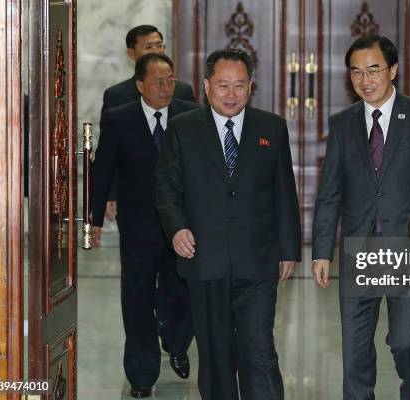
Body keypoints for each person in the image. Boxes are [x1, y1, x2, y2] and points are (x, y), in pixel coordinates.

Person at [311, 34, 410, 400]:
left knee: (405, 340)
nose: (366, 80)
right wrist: (320, 251)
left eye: (374, 70)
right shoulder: (342, 124)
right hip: (358, 250)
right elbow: (330, 190)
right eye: (356, 73)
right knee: (354, 348)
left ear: (392, 70)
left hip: (408, 249)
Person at [155, 48, 301, 400]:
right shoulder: (182, 129)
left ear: (251, 86)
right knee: (217, 356)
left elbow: (284, 192)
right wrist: (176, 228)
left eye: (239, 85)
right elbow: (166, 187)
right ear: (207, 87)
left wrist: (289, 249)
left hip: (258, 259)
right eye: (222, 85)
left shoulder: (272, 127)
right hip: (205, 260)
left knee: (259, 350)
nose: (231, 94)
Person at [91, 53, 198, 399]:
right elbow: (103, 168)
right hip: (137, 225)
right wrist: (93, 218)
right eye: (158, 81)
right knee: (136, 298)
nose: (166, 88)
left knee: (180, 291)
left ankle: (178, 342)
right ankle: (141, 374)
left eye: (170, 80)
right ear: (140, 85)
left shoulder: (189, 114)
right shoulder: (120, 119)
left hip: (181, 225)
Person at [102, 24, 195, 221]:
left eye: (159, 46)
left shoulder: (183, 92)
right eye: (148, 47)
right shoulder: (117, 95)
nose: (156, 51)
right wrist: (110, 193)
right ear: (130, 53)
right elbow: (110, 152)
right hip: (135, 194)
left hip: (178, 192)